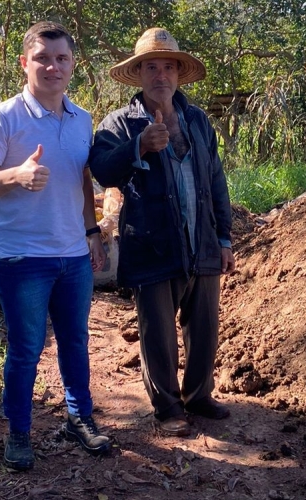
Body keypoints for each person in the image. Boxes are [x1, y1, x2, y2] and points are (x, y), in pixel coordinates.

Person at [0, 21, 111, 470]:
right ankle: (19, 432)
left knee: (75, 341)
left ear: (73, 65)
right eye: (43, 58)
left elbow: (82, 180)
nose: (53, 66)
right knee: (26, 349)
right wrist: (14, 176)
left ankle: (79, 418)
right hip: (23, 258)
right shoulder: (2, 117)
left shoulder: (81, 118)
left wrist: (92, 232)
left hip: (72, 256)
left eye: (62, 58)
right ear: (24, 63)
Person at [89, 27, 236, 437]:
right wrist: (138, 147)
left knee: (204, 326)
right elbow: (102, 169)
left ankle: (199, 396)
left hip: (202, 241)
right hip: (152, 243)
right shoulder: (119, 122)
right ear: (138, 74)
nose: (160, 75)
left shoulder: (196, 120)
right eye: (151, 67)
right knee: (157, 331)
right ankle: (169, 407)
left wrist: (223, 238)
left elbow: (217, 180)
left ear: (178, 74)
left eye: (168, 67)